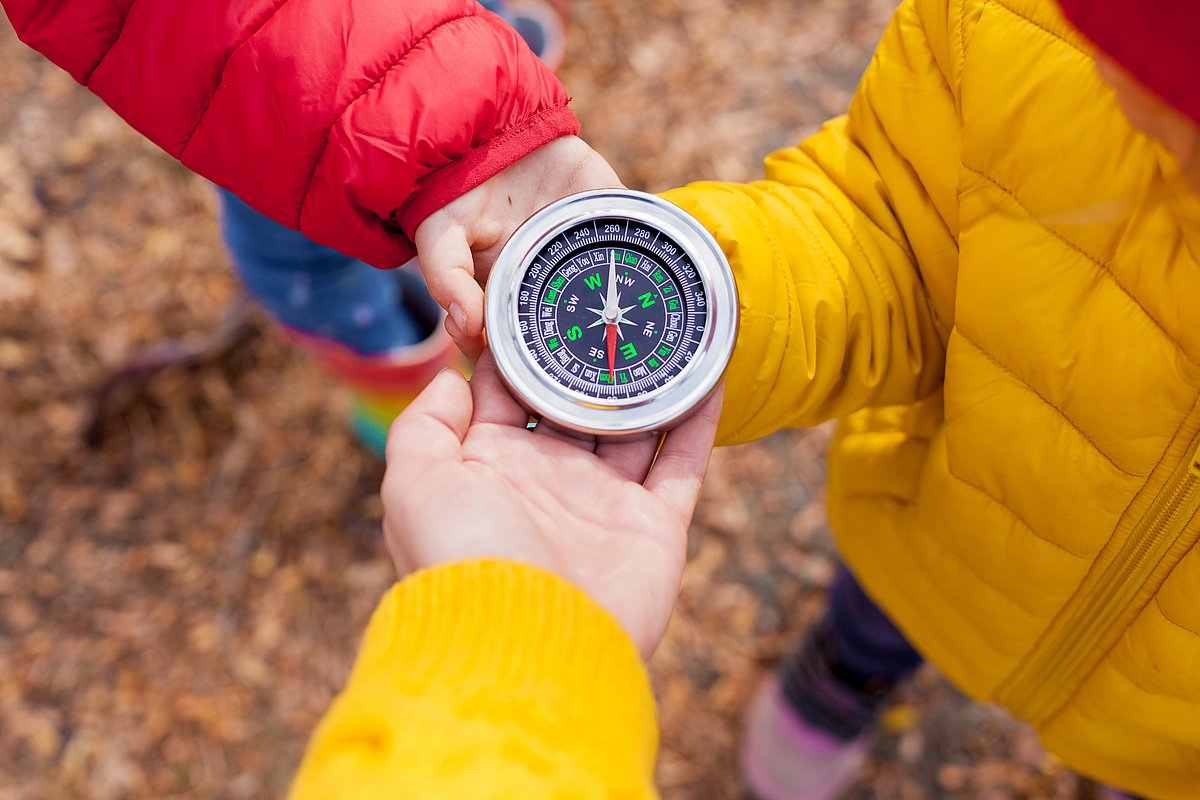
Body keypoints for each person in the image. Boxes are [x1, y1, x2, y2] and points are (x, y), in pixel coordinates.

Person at [291, 0, 1200, 799]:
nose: (1120, 92)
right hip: (932, 537)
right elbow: (892, 235)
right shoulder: (1023, 24)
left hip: (1170, 736)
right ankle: (845, 675)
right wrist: (701, 307)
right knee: (878, 615)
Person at [1, 0, 618, 454]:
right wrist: (465, 122)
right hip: (277, 83)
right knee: (314, 269)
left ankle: (472, 42)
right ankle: (398, 391)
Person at [215, 0, 568, 456]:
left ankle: (494, 71)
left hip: (447, 42)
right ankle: (396, 387)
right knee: (320, 275)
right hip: (269, 107)